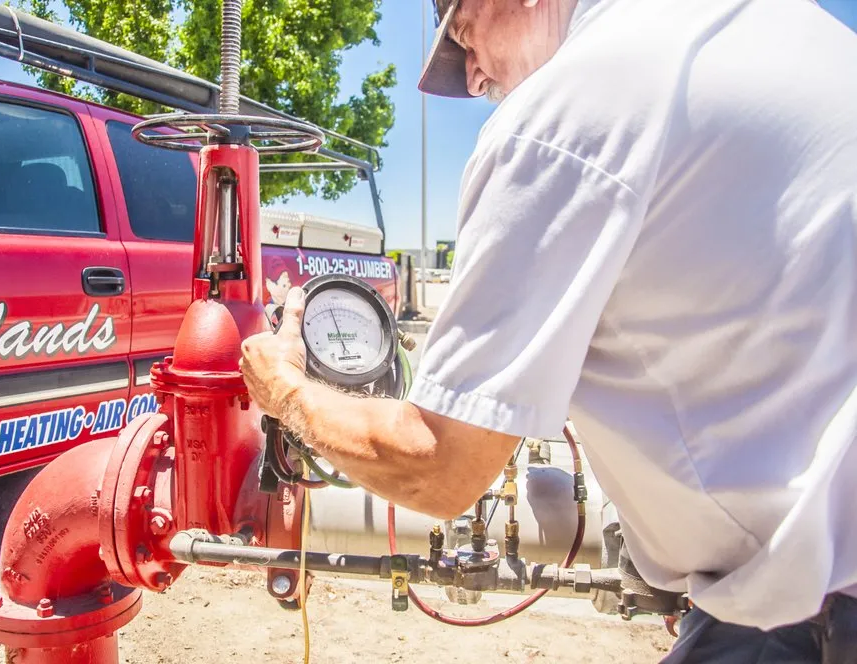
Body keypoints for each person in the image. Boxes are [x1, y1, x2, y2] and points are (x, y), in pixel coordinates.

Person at [240, 0, 857, 660]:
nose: (475, 80)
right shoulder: (781, 28)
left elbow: (439, 466)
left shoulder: (566, 114)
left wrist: (287, 396)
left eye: (466, 39)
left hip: (806, 613)